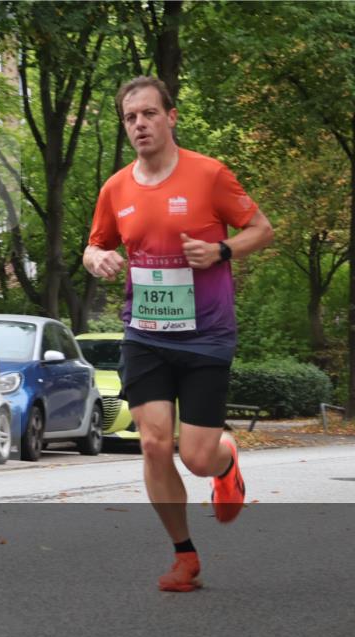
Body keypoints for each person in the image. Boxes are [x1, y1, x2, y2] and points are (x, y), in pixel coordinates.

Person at [83, 76, 275, 592]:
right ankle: (184, 555)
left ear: (170, 117)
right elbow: (93, 245)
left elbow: (262, 228)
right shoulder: (115, 189)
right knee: (151, 443)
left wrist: (223, 251)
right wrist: (98, 256)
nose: (139, 124)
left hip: (207, 335)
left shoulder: (209, 175)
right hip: (144, 335)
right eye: (130, 118)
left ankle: (225, 459)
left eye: (148, 113)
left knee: (195, 456)